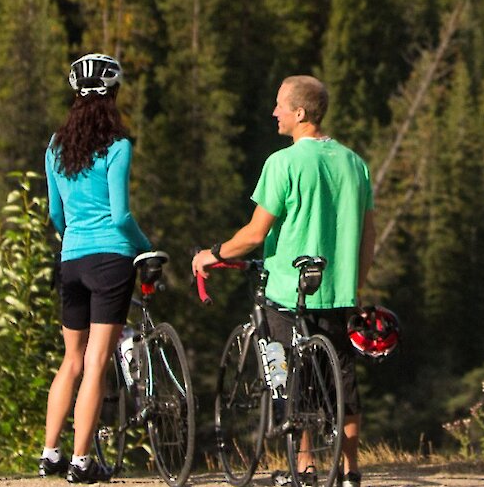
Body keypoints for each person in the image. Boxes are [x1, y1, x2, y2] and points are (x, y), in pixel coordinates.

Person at [191, 75, 374, 487]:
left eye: (279, 105)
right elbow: (369, 234)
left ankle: (305, 468)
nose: (273, 112)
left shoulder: (282, 163)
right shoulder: (354, 163)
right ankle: (350, 472)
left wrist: (213, 253)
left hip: (288, 290)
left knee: (294, 378)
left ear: (300, 113)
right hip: (338, 291)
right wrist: (355, 285)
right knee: (341, 382)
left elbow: (255, 235)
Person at [40, 53, 152, 483]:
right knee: (96, 362)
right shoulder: (117, 146)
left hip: (72, 260)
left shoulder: (55, 146)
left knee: (70, 360)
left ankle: (50, 453)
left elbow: (55, 213)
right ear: (114, 95)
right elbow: (121, 215)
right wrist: (145, 247)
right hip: (111, 259)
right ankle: (82, 461)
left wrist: (73, 238)